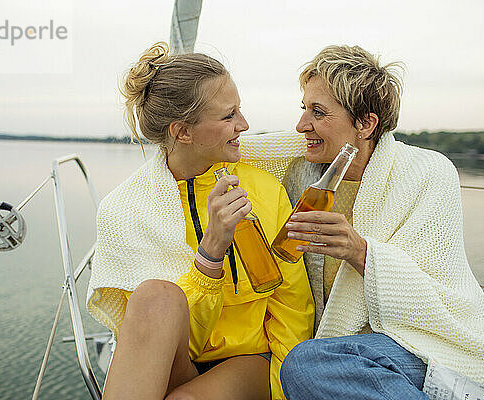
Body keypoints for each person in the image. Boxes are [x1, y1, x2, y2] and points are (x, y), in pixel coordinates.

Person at [270, 45, 484, 399]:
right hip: (341, 355)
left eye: (318, 112)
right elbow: (243, 149)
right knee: (306, 367)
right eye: (303, 109)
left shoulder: (428, 173)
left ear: (366, 123)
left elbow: (438, 299)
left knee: (304, 366)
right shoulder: (299, 177)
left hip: (423, 348)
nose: (300, 125)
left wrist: (361, 252)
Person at [86, 42, 314, 400]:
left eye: (240, 110)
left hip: (249, 359)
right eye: (228, 116)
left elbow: (292, 302)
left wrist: (288, 391)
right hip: (180, 356)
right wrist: (211, 252)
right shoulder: (128, 208)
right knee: (153, 296)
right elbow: (156, 334)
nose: (244, 124)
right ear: (182, 132)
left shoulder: (264, 190)